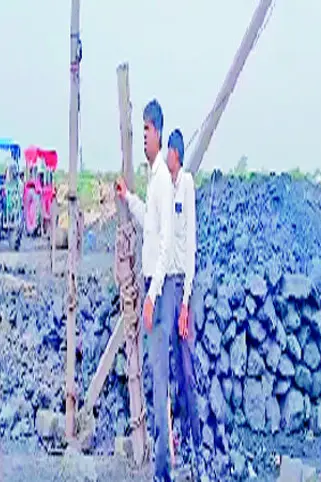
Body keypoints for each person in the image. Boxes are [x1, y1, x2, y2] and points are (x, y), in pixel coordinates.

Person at [115, 99, 176, 482]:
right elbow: (148, 224)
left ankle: (162, 471)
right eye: (142, 130)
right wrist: (127, 197)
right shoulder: (154, 180)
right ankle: (161, 466)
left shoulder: (164, 182)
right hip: (154, 286)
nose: (144, 138)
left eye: (148, 130)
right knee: (156, 380)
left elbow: (165, 241)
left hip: (160, 289)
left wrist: (152, 295)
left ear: (159, 132)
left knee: (159, 381)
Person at [163, 128, 201, 474]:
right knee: (172, 364)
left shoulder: (186, 185)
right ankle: (177, 436)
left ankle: (196, 437)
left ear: (176, 153)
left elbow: (190, 246)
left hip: (183, 289)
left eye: (168, 152)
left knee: (187, 366)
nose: (165, 157)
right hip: (167, 287)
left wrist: (186, 303)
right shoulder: (165, 186)